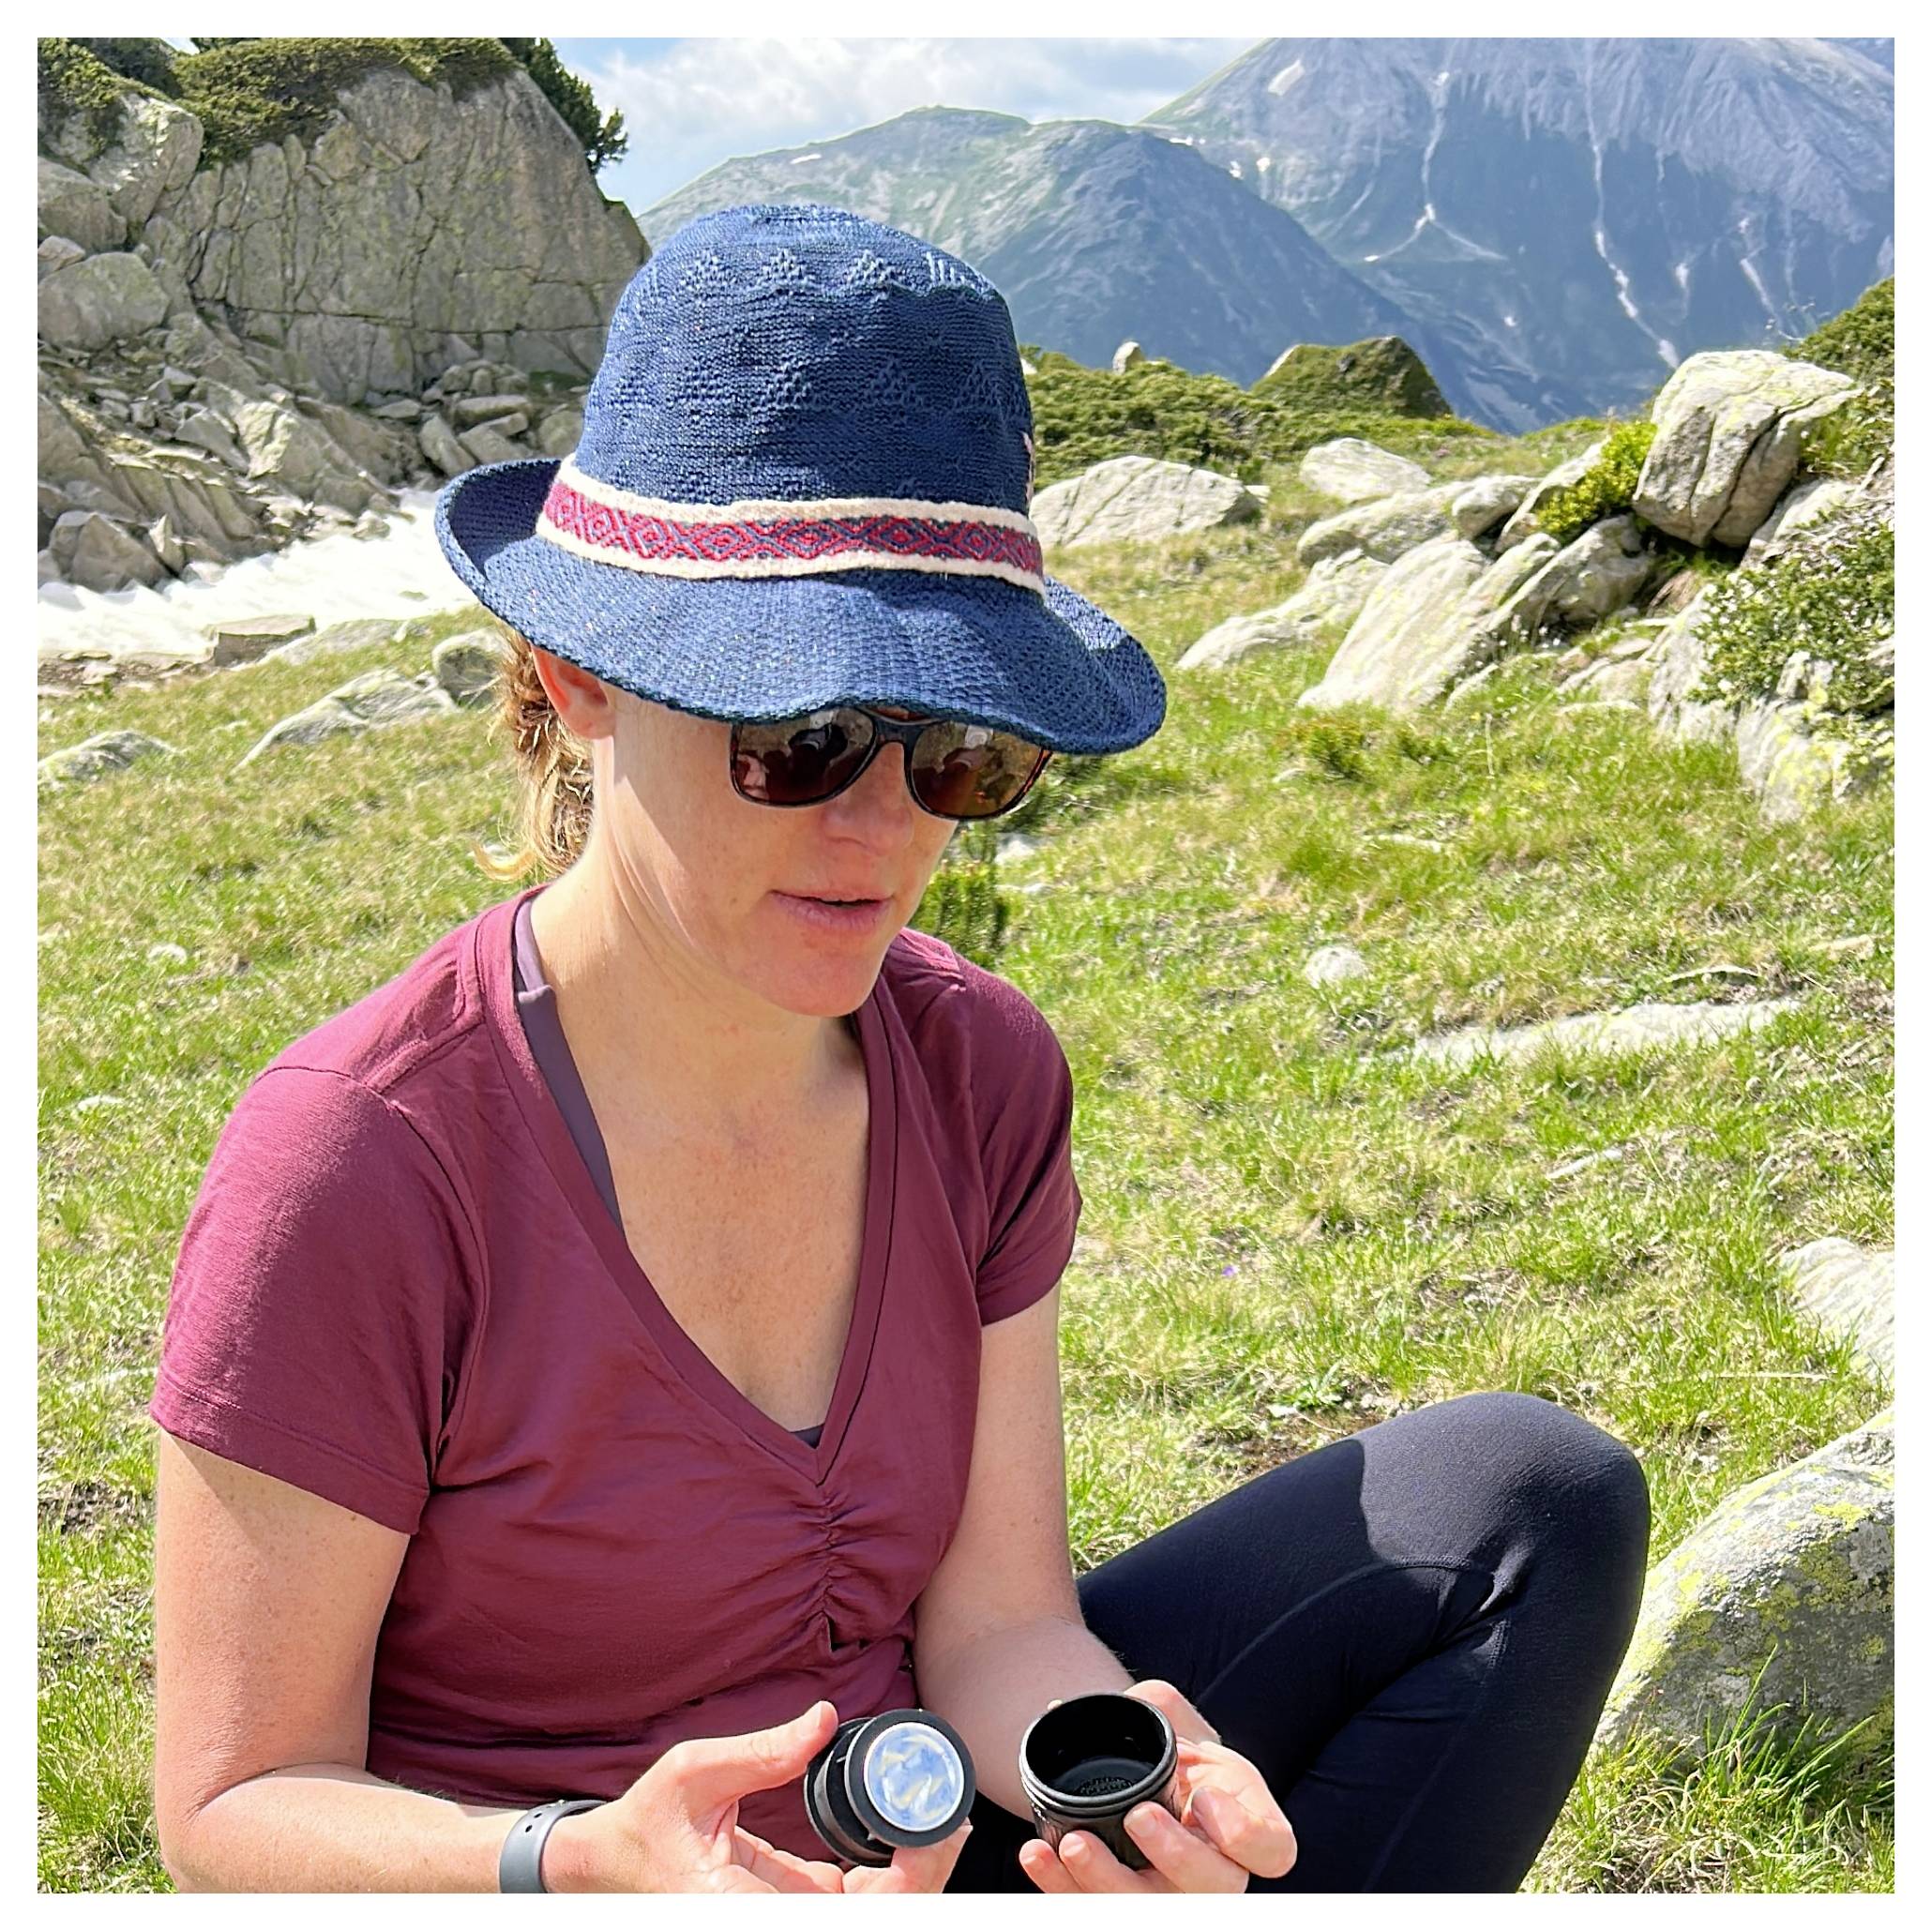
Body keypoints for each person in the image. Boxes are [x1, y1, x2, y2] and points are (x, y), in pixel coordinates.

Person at [145, 204, 1650, 1896]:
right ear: (576, 679)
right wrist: (578, 1864)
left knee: (1533, 1501)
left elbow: (999, 1621)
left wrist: (1122, 1785)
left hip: (922, 1846)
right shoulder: (360, 1157)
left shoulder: (977, 1069)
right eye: (800, 740)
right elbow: (234, 1807)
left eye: (959, 750)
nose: (882, 828)